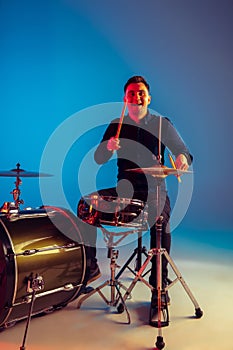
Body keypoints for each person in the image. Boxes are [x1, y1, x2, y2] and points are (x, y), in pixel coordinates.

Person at [77, 75, 192, 324]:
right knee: (86, 206)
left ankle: (158, 287)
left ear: (148, 97)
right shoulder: (117, 124)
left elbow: (184, 152)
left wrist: (182, 159)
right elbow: (97, 158)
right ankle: (91, 268)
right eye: (132, 93)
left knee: (161, 222)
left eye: (141, 92)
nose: (137, 96)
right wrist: (107, 148)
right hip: (124, 191)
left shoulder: (162, 124)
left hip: (155, 191)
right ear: (125, 98)